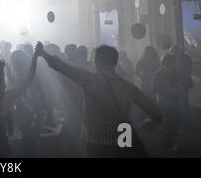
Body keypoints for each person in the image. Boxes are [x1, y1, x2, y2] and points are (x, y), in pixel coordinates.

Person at [36, 42, 164, 158]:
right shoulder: (128, 87)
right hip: (124, 139)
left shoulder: (90, 80)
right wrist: (146, 125)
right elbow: (157, 115)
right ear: (114, 62)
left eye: (95, 60)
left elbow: (59, 65)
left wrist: (42, 53)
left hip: (98, 142)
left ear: (99, 60)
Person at [153, 54, 182, 150]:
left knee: (174, 122)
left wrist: (178, 88)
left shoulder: (174, 72)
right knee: (169, 124)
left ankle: (168, 141)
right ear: (165, 63)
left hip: (174, 102)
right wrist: (167, 90)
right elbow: (154, 88)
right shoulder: (159, 73)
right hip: (164, 102)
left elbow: (178, 82)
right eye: (171, 63)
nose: (173, 65)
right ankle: (167, 143)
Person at [170, 45, 193, 128]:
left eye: (172, 52)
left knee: (183, 103)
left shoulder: (181, 59)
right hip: (184, 83)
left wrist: (180, 84)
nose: (172, 54)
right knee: (184, 102)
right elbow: (189, 71)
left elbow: (183, 73)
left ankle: (185, 122)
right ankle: (185, 121)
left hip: (183, 83)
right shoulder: (187, 57)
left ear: (175, 51)